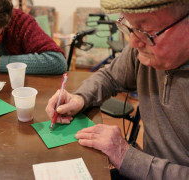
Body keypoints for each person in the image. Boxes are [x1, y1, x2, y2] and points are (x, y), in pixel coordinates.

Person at [46, 0, 189, 179]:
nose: (134, 42)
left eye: (147, 32)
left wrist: (126, 156)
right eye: (130, 27)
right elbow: (110, 77)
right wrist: (80, 98)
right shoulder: (142, 52)